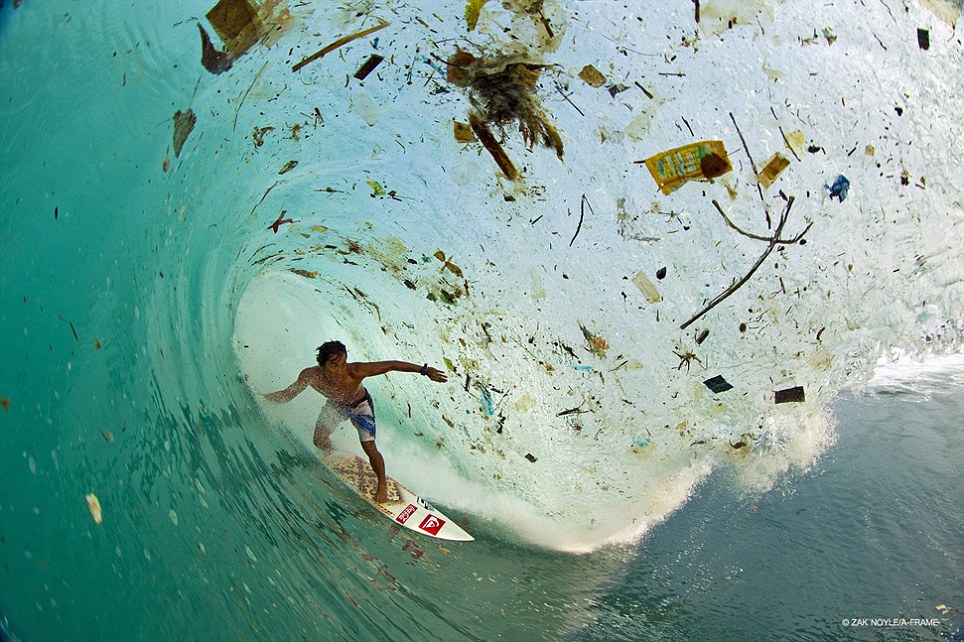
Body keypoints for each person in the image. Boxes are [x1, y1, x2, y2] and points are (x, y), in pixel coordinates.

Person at [264, 341, 448, 503]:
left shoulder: (355, 371)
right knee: (319, 441)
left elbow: (391, 365)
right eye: (334, 365)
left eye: (343, 364)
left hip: (360, 407)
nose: (339, 370)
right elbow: (288, 395)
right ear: (322, 364)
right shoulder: (310, 375)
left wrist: (424, 370)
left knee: (369, 447)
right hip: (336, 405)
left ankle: (382, 483)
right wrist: (261, 397)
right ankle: (334, 452)